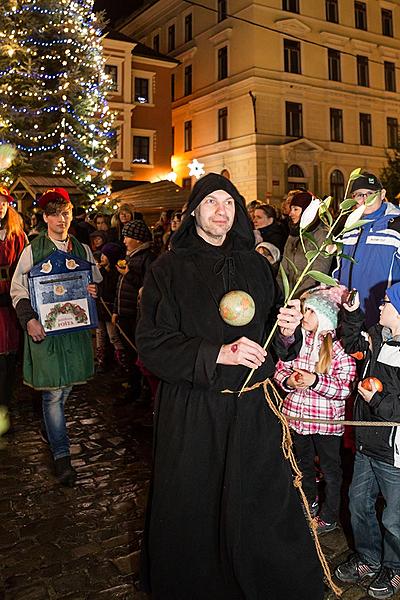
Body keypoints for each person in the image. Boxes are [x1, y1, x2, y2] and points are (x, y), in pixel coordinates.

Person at [136, 173, 324, 599]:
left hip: (252, 409)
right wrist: (217, 353)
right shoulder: (167, 269)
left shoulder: (258, 265)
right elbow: (151, 345)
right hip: (194, 410)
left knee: (258, 501)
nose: (222, 211)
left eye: (229, 203)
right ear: (194, 212)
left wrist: (289, 332)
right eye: (211, 203)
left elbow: (274, 341)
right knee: (195, 505)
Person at [10, 187, 102, 486]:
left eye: (66, 213)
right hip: (46, 331)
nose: (62, 219)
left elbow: (94, 281)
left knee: (64, 391)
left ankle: (50, 428)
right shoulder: (32, 249)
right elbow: (17, 290)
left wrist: (92, 291)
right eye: (55, 214)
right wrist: (29, 320)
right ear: (46, 217)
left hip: (72, 332)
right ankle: (62, 456)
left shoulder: (82, 249)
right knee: (52, 394)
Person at [335, 285, 400, 599]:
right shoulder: (376, 336)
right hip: (366, 445)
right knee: (358, 504)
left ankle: (395, 567)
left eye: (387, 303)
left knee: (394, 517)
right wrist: (350, 312)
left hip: (394, 452)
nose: (381, 306)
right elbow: (351, 342)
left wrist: (378, 399)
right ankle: (369, 558)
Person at [274, 285, 356, 534]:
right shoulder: (297, 340)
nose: (304, 316)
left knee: (331, 470)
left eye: (310, 311)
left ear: (324, 316)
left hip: (326, 423)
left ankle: (330, 515)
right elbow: (280, 367)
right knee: (303, 465)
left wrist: (315, 381)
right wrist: (288, 382)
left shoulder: (338, 347)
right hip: (298, 419)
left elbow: (345, 388)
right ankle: (308, 502)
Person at [333, 171, 400, 328]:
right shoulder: (348, 227)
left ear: (382, 194)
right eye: (359, 195)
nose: (365, 199)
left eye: (370, 193)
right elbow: (339, 269)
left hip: (385, 318)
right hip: (351, 316)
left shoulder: (396, 225)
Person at [112, 219, 155, 402]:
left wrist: (128, 274)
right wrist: (115, 310)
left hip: (135, 314)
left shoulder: (147, 258)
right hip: (123, 312)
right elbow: (120, 287)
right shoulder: (130, 255)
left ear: (137, 239)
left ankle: (143, 391)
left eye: (127, 236)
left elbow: (147, 288)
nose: (124, 240)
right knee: (128, 355)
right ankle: (133, 386)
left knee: (137, 353)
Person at [0, 186, 26, 409]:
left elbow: (23, 265)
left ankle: (5, 404)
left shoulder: (16, 234)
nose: (0, 206)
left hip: (9, 297)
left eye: (4, 202)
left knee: (8, 355)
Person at [279, 191, 332, 297]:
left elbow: (320, 269)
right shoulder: (293, 233)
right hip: (289, 295)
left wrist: (299, 295)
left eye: (296, 209)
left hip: (308, 296)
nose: (290, 213)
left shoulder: (322, 234)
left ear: (307, 211)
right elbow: (284, 266)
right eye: (291, 209)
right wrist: (280, 291)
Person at [96, 242, 125, 373]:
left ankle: (122, 362)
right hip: (100, 309)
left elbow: (110, 290)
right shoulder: (100, 271)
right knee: (100, 335)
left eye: (105, 255)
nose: (102, 257)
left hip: (109, 309)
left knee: (113, 335)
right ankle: (101, 361)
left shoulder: (116, 273)